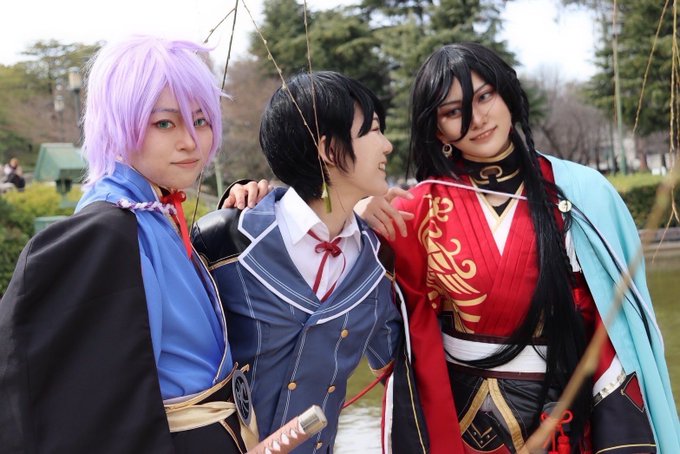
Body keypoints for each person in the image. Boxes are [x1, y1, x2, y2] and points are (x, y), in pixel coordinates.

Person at [355, 42, 679, 453]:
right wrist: (355, 223)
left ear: (507, 93)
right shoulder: (414, 210)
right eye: (454, 111)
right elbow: (370, 322)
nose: (477, 119)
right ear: (437, 130)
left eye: (484, 97)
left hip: (561, 417)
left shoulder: (579, 193)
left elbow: (610, 325)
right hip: (464, 424)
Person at [0, 36, 254, 453]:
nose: (191, 141)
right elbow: (99, 407)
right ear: (117, 125)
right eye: (165, 123)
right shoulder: (105, 234)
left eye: (201, 120)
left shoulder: (152, 211)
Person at [191, 71, 404, 453]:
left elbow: (402, 367)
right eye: (373, 130)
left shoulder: (377, 264)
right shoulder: (224, 244)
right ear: (328, 149)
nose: (386, 145)